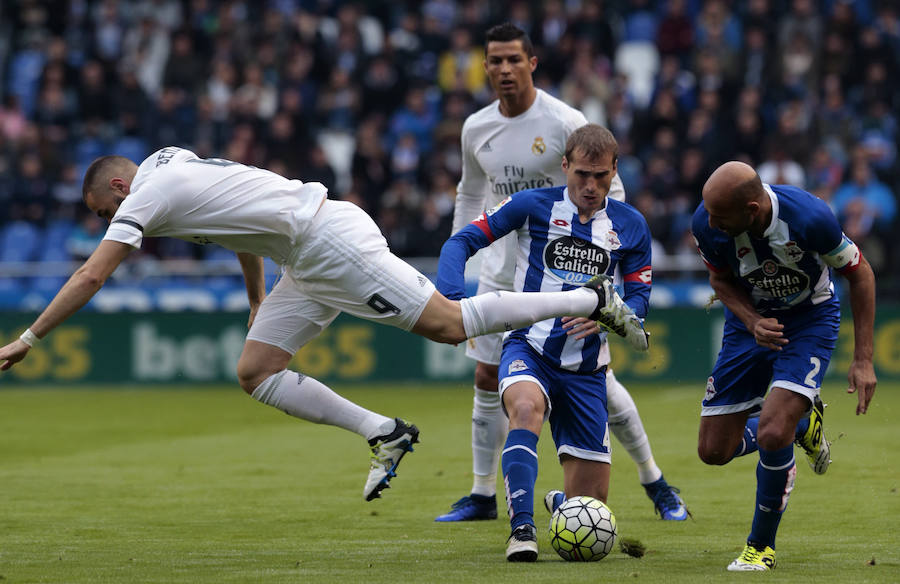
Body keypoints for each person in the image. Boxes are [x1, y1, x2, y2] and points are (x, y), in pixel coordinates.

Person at [0, 147, 636, 503]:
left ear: (119, 185)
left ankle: (585, 300)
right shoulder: (171, 166)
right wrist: (257, 304)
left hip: (329, 241)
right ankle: (383, 432)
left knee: (447, 325)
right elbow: (237, 232)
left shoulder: (145, 197)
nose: (107, 219)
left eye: (104, 209)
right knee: (254, 370)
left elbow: (90, 277)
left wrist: (28, 339)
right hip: (298, 259)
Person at [437, 22, 687, 523]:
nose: (505, 69)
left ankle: (654, 479)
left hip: (565, 273)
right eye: (496, 60)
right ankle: (483, 493)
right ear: (484, 67)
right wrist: (464, 259)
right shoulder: (476, 128)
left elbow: (607, 195)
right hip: (500, 273)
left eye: (514, 59)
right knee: (488, 376)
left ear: (532, 64)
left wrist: (602, 274)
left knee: (600, 379)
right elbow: (470, 194)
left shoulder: (563, 120)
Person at [438, 124, 650, 561]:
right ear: (565, 166)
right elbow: (462, 241)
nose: (590, 187)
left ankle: (556, 501)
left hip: (588, 370)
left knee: (590, 514)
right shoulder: (532, 205)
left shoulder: (631, 226)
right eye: (581, 175)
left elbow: (641, 296)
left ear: (615, 171)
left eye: (600, 176)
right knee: (526, 410)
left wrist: (613, 320)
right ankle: (522, 530)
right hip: (529, 348)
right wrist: (452, 298)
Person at [691, 161, 877, 571]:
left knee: (772, 433)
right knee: (712, 451)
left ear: (752, 210)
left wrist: (863, 359)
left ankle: (760, 548)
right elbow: (720, 282)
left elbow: (860, 273)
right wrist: (752, 320)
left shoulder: (810, 217)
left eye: (720, 218)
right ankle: (803, 424)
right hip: (749, 324)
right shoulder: (708, 223)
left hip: (809, 320)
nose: (709, 223)